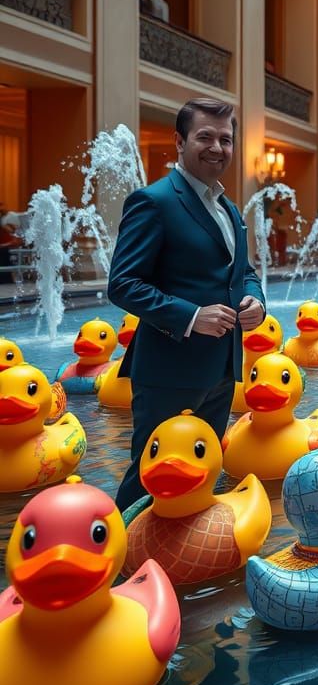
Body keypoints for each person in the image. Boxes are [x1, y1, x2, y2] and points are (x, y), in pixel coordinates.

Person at [107, 97, 266, 510]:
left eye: (225, 139)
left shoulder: (229, 208)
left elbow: (244, 272)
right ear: (179, 141)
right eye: (205, 137)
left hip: (222, 368)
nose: (217, 147)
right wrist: (192, 316)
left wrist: (256, 300)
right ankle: (122, 546)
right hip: (169, 370)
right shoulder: (154, 202)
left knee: (200, 475)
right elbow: (122, 284)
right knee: (150, 477)